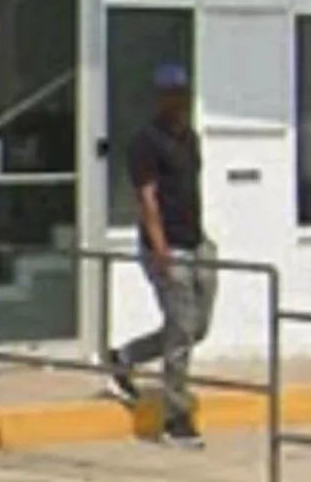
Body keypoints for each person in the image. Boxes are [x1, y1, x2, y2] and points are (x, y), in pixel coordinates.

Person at [104, 61, 215, 445]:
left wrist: (201, 241)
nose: (176, 100)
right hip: (165, 246)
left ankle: (125, 357)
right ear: (158, 98)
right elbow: (147, 198)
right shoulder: (145, 142)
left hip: (197, 240)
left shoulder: (190, 138)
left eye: (181, 93)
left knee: (196, 328)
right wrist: (161, 249)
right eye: (169, 93)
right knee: (182, 331)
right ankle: (175, 418)